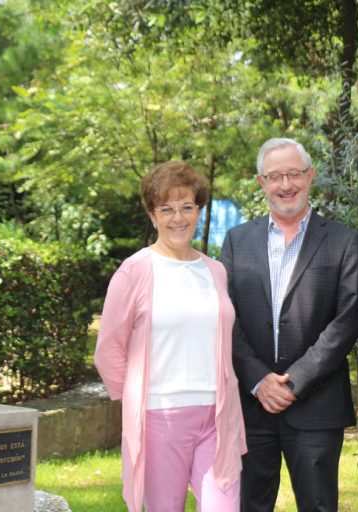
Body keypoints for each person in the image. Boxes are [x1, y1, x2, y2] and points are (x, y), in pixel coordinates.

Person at [94, 161, 246, 512]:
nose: (178, 218)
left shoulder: (215, 271)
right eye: (167, 209)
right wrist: (135, 401)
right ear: (152, 216)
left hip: (217, 416)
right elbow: (108, 351)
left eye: (187, 207)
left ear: (198, 210)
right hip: (161, 417)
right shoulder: (135, 271)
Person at [220, 138, 358, 512]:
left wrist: (294, 381)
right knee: (249, 505)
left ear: (310, 176)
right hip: (251, 405)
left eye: (294, 174)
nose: (286, 185)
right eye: (275, 176)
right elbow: (225, 317)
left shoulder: (344, 241)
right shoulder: (236, 241)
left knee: (318, 505)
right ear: (261, 182)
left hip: (317, 404)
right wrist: (258, 379)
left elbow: (347, 319)